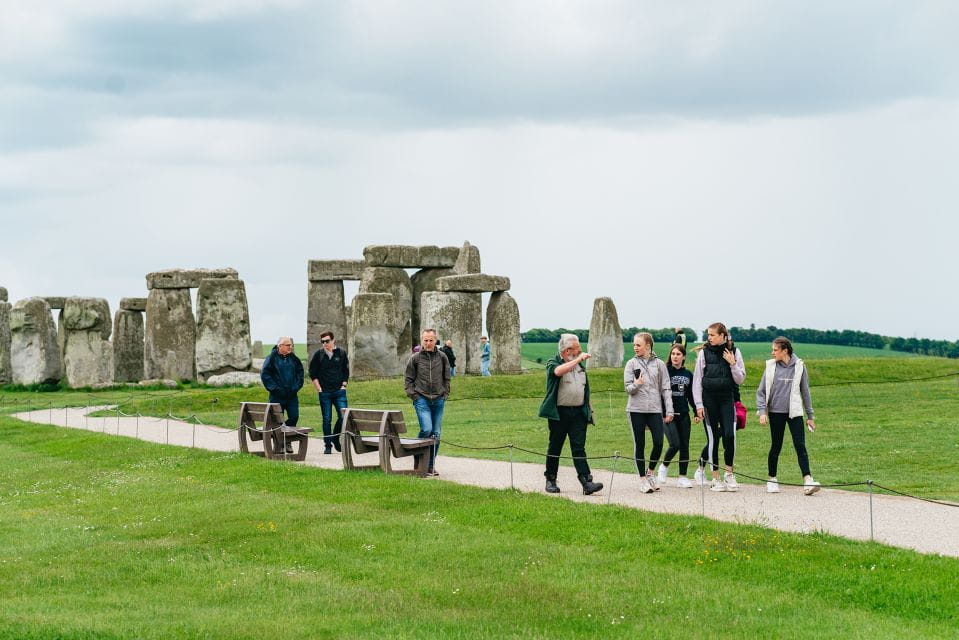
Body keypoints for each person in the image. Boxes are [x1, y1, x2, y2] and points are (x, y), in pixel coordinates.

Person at [538, 334, 603, 496]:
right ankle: (551, 480)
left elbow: (583, 388)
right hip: (559, 413)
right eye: (577, 348)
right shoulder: (554, 362)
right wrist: (578, 359)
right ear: (567, 351)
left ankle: (587, 482)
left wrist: (588, 408)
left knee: (579, 448)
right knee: (555, 447)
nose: (580, 351)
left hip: (578, 413)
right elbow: (558, 372)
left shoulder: (580, 366)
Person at [756, 337, 821, 495]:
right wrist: (762, 412)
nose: (772, 353)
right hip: (775, 412)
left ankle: (808, 480)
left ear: (785, 351)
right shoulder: (770, 366)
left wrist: (810, 416)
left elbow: (805, 392)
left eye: (775, 350)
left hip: (794, 413)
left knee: (800, 446)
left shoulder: (799, 366)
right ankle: (772, 479)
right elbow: (761, 392)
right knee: (776, 446)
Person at [692, 322, 746, 492]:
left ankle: (729, 474)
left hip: (727, 400)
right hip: (709, 401)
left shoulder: (735, 352)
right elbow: (697, 381)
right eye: (708, 335)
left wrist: (732, 363)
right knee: (713, 439)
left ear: (722, 335)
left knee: (730, 435)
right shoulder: (704, 353)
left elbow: (740, 379)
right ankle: (715, 478)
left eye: (712, 335)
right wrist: (698, 405)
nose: (709, 338)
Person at [624, 332, 673, 493]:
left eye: (638, 345)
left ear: (648, 346)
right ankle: (642, 480)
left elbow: (666, 388)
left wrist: (669, 409)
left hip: (654, 409)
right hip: (636, 409)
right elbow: (628, 389)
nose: (635, 347)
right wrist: (637, 384)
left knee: (659, 442)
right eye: (634, 345)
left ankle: (650, 473)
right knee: (640, 444)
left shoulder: (659, 364)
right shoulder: (631, 364)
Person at [404, 328, 451, 476]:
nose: (428, 343)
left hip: (438, 399)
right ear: (422, 340)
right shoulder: (415, 358)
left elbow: (447, 377)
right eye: (426, 340)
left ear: (435, 340)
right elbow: (408, 379)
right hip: (422, 399)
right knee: (426, 429)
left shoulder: (442, 357)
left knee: (436, 433)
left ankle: (430, 466)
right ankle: (418, 458)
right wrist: (414, 396)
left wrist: (445, 394)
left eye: (431, 340)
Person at [658, 343, 696, 488]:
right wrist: (663, 412)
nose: (675, 356)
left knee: (685, 446)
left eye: (678, 354)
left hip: (684, 414)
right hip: (668, 415)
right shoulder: (665, 371)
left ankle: (682, 477)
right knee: (675, 444)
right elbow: (659, 394)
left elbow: (691, 395)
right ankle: (664, 466)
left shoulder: (688, 374)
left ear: (683, 357)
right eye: (673, 354)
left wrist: (696, 411)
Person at [308, 331, 350, 455]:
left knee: (343, 416)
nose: (325, 344)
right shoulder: (319, 355)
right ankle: (327, 445)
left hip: (339, 392)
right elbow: (312, 373)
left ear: (333, 340)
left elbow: (346, 371)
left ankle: (335, 438)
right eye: (322, 342)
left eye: (327, 341)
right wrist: (319, 389)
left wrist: (343, 385)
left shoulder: (341, 353)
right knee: (327, 419)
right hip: (325, 393)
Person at [260, 336, 304, 454]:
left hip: (291, 396)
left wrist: (295, 387)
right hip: (277, 396)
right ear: (280, 346)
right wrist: (275, 389)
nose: (290, 347)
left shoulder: (294, 359)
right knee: (278, 421)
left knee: (294, 417)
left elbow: (300, 374)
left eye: (291, 345)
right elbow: (265, 375)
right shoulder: (271, 358)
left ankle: (287, 440)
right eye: (288, 345)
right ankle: (280, 444)